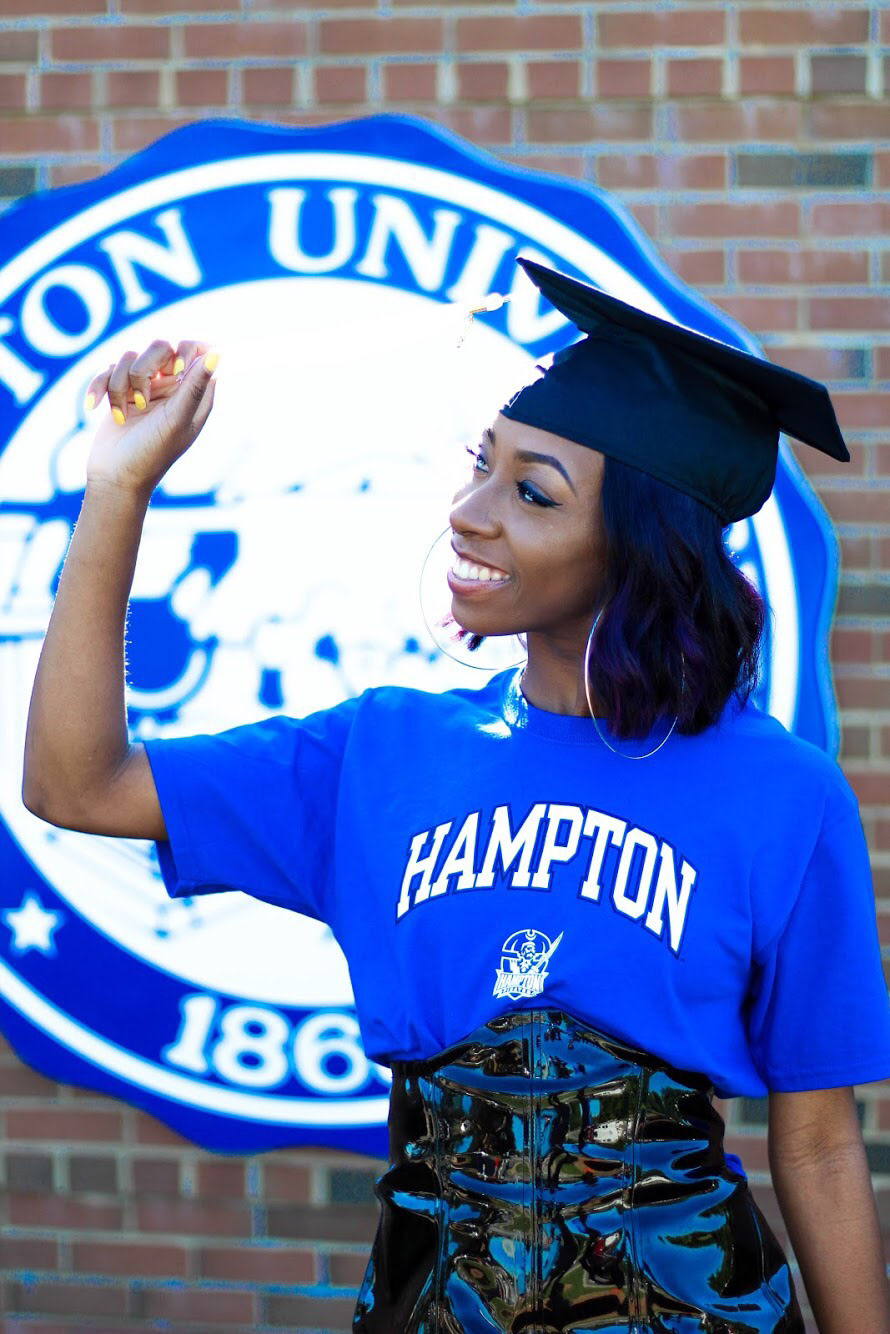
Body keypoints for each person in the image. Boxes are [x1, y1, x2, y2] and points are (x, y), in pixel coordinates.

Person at [22, 258, 890, 1334]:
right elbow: (75, 782)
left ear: (640, 548)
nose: (469, 513)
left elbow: (818, 1142)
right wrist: (118, 489)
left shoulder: (783, 796)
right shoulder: (382, 752)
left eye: (532, 492)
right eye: (482, 464)